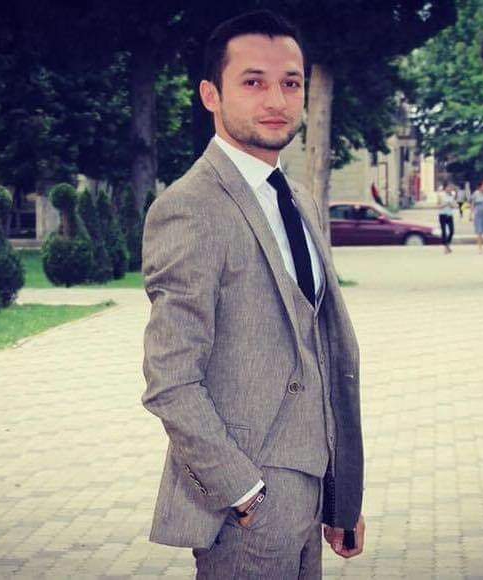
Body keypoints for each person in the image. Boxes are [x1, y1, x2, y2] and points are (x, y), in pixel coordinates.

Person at [141, 10, 364, 579]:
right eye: (253, 81)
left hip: (311, 490)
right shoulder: (191, 207)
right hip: (247, 506)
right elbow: (170, 378)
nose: (276, 99)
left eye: (290, 82)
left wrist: (341, 495)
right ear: (211, 95)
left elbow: (321, 353)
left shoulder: (299, 200)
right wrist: (242, 491)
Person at [437, 182, 457, 254]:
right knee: (444, 231)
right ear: (445, 188)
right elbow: (438, 206)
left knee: (452, 231)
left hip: (449, 215)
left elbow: (455, 205)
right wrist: (445, 204)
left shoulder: (452, 195)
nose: (450, 189)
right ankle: (446, 247)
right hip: (442, 214)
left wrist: (452, 205)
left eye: (451, 187)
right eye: (448, 187)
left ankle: (447, 244)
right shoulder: (440, 195)